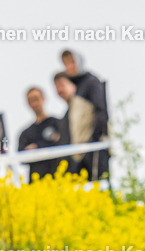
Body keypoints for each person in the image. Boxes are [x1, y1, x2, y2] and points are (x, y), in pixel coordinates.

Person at [60, 50, 110, 180]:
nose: (69, 67)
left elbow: (101, 112)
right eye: (66, 64)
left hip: (93, 147)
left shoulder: (91, 82)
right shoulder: (76, 87)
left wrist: (95, 139)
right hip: (80, 149)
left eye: (72, 62)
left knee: (98, 182)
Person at [16, 86, 66, 181]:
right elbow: (21, 157)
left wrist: (37, 147)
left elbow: (64, 142)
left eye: (36, 98)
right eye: (31, 100)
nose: (34, 103)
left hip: (59, 178)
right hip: (36, 183)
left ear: (43, 98)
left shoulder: (58, 124)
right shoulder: (25, 133)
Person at [53, 72, 96, 177]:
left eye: (62, 85)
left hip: (88, 162)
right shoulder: (66, 116)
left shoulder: (86, 105)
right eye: (57, 87)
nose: (59, 90)